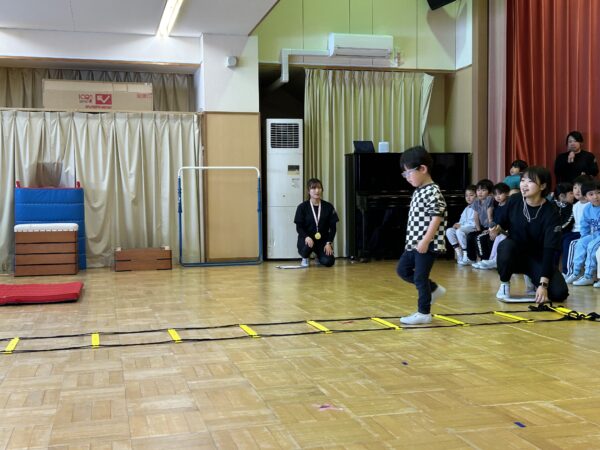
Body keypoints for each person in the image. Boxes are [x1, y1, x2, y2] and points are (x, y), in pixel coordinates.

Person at [493, 166, 569, 303]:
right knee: (505, 246)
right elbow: (501, 223)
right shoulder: (514, 200)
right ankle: (504, 284)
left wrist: (543, 285)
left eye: (530, 181)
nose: (524, 185)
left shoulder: (551, 212)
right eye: (523, 181)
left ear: (543, 186)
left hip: (538, 258)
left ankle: (533, 279)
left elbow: (549, 249)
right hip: (515, 255)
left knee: (559, 293)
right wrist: (495, 229)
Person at [396, 146, 447, 325]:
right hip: (414, 244)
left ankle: (424, 312)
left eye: (409, 173)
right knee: (402, 270)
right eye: (404, 174)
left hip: (426, 244)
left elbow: (436, 217)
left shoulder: (433, 191)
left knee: (420, 277)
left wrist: (426, 240)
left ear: (423, 169)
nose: (407, 177)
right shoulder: (419, 190)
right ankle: (433, 289)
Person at [294, 178, 339, 267]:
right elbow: (299, 227)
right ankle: (305, 257)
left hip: (322, 240)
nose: (317, 191)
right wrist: (306, 237)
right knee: (306, 248)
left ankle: (319, 256)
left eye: (319, 188)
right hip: (307, 239)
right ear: (308, 191)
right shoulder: (302, 207)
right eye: (313, 188)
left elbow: (333, 228)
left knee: (329, 262)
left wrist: (328, 243)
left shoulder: (328, 206)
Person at [565, 180, 600, 285]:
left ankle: (589, 275)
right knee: (580, 243)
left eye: (598, 192)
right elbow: (584, 226)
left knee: (592, 246)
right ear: (586, 197)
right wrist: (584, 237)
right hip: (595, 234)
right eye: (591, 194)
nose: (596, 196)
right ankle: (576, 272)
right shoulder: (587, 208)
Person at [473, 182, 510, 270]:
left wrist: (496, 231)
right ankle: (490, 260)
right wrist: (490, 230)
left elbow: (508, 222)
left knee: (498, 237)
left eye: (500, 194)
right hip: (497, 230)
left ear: (507, 193)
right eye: (495, 194)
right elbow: (494, 221)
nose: (497, 197)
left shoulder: (509, 205)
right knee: (487, 237)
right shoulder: (497, 206)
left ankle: (494, 260)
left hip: (505, 231)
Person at [562, 175, 592, 277]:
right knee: (561, 239)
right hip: (574, 232)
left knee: (569, 243)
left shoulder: (590, 205)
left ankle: (569, 272)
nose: (577, 191)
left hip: (585, 233)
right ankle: (555, 269)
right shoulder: (575, 205)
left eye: (581, 187)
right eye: (575, 188)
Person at [463, 179, 494, 265]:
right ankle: (471, 258)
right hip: (482, 227)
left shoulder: (489, 199)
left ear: (489, 192)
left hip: (490, 227)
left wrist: (490, 229)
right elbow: (475, 216)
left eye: (483, 190)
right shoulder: (476, 201)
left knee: (479, 237)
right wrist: (478, 229)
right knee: (470, 235)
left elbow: (490, 216)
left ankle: (484, 259)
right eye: (478, 190)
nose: (480, 192)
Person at [445, 184, 476, 263]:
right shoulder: (466, 208)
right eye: (466, 196)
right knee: (449, 231)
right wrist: (457, 224)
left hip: (473, 227)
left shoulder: (477, 207)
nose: (468, 198)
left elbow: (474, 223)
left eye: (471, 195)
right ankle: (459, 252)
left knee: (460, 231)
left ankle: (466, 253)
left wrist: (461, 226)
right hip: (464, 227)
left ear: (476, 196)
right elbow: (462, 220)